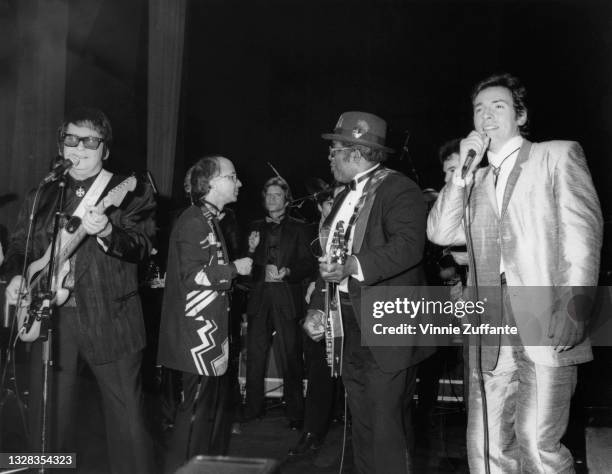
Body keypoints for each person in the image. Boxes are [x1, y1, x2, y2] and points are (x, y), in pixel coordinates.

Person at [428, 73, 603, 473]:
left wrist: (575, 308)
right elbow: (440, 232)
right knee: (485, 442)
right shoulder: (474, 178)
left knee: (536, 440)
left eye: (498, 106)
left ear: (520, 115)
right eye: (478, 109)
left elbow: (583, 235)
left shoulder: (555, 155)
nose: (486, 115)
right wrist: (460, 177)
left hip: (546, 314)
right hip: (488, 321)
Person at [2, 107, 156, 474]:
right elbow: (20, 248)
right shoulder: (42, 194)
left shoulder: (129, 190)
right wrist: (15, 277)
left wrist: (106, 232)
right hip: (50, 318)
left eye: (90, 141)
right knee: (50, 420)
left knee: (127, 425)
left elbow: (143, 247)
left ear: (105, 149)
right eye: (71, 139)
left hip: (111, 317)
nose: (80, 148)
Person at [303, 111, 434, 474]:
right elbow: (328, 260)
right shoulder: (342, 197)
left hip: (388, 321)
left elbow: (409, 246)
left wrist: (353, 265)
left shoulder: (399, 189)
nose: (329, 156)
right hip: (346, 320)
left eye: (335, 149)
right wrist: (317, 307)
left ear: (356, 152)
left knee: (387, 424)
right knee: (360, 420)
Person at [157, 156, 252, 472]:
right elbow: (191, 277)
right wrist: (233, 269)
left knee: (201, 415)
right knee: (195, 414)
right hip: (196, 338)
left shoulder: (207, 220)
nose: (239, 183)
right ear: (211, 183)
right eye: (233, 176)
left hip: (205, 337)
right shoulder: (195, 221)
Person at [243, 177, 316, 429]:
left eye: (277, 195)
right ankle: (252, 410)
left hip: (287, 300)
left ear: (287, 199)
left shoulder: (300, 227)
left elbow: (308, 264)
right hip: (259, 300)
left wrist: (288, 272)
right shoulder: (253, 226)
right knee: (254, 357)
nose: (272, 199)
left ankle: (295, 414)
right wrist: (251, 252)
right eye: (268, 195)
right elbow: (245, 270)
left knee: (291, 358)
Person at [289, 187, 343, 456]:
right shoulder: (318, 230)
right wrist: (315, 307)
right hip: (322, 306)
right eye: (331, 201)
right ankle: (312, 432)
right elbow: (322, 273)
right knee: (319, 370)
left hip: (358, 309)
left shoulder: (357, 223)